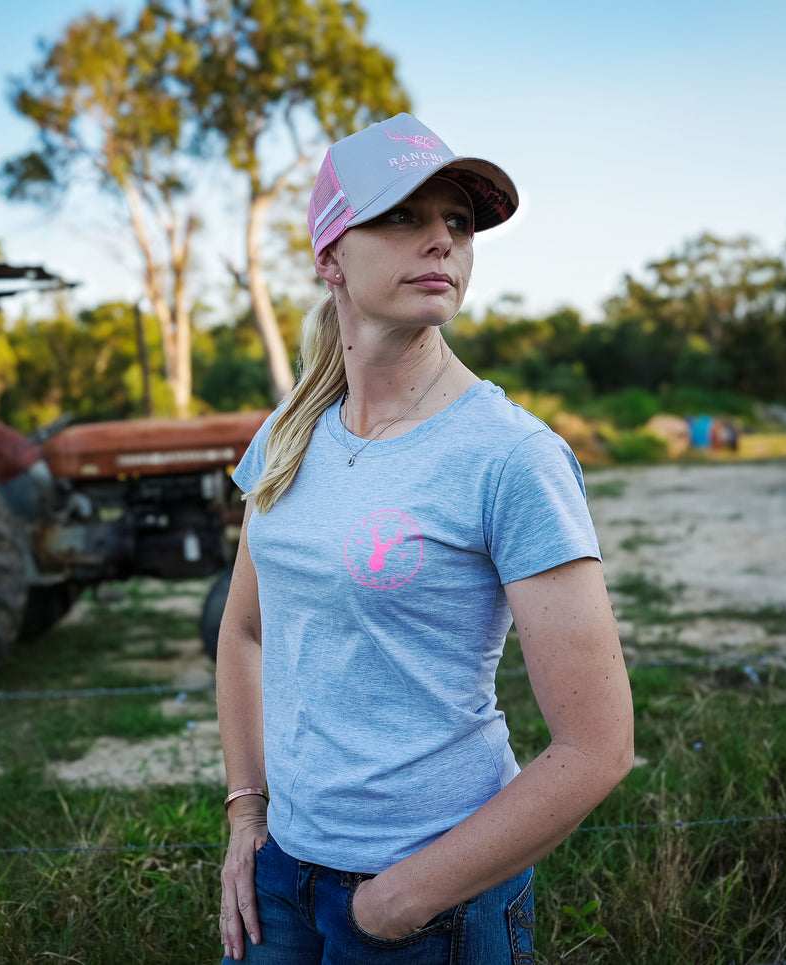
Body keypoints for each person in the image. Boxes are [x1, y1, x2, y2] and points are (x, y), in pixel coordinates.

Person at [216, 113, 634, 964]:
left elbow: (597, 748)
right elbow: (246, 631)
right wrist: (246, 810)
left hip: (430, 896)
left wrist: (398, 900)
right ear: (330, 256)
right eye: (402, 216)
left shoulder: (510, 456)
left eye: (459, 222)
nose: (441, 239)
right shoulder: (286, 434)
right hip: (279, 877)